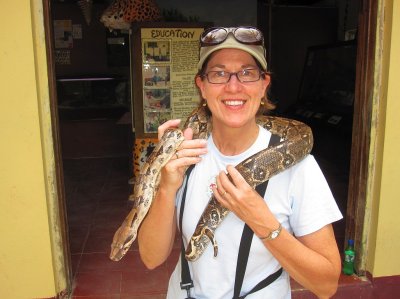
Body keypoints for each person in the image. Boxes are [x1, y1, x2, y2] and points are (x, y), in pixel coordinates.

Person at [138, 26, 343, 299]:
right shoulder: (184, 154)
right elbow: (151, 259)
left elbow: (326, 285)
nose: (233, 86)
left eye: (247, 73)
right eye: (219, 73)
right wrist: (166, 187)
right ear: (202, 85)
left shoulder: (301, 167)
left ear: (264, 84)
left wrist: (261, 220)